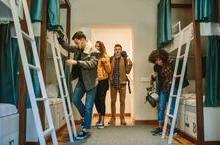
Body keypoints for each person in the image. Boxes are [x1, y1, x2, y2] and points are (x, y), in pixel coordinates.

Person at [57, 31, 98, 139]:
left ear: (82, 40)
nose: (76, 45)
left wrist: (77, 62)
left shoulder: (93, 50)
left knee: (89, 106)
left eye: (77, 42)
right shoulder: (77, 48)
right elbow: (68, 47)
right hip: (82, 81)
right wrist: (60, 38)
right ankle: (86, 117)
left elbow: (92, 64)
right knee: (75, 99)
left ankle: (85, 129)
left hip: (91, 82)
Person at [148, 49, 175, 136]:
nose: (157, 62)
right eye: (155, 60)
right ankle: (160, 127)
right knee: (161, 107)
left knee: (171, 108)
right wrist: (152, 78)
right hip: (162, 88)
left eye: (158, 60)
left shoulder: (171, 64)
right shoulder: (156, 66)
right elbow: (155, 78)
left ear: (162, 58)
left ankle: (172, 128)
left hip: (171, 87)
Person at [108, 44, 133, 126]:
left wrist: (129, 61)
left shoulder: (124, 59)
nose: (117, 51)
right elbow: (108, 70)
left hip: (122, 83)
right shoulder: (111, 59)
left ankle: (122, 119)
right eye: (116, 49)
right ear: (114, 50)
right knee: (113, 102)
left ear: (121, 50)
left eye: (119, 49)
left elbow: (127, 71)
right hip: (113, 83)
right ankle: (113, 118)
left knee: (122, 101)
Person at [94, 41, 111, 129]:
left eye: (98, 46)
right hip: (95, 81)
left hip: (103, 81)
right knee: (96, 100)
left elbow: (109, 70)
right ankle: (99, 118)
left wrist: (105, 62)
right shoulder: (93, 56)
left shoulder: (106, 56)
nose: (97, 48)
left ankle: (102, 121)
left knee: (101, 100)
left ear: (102, 47)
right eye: (96, 46)